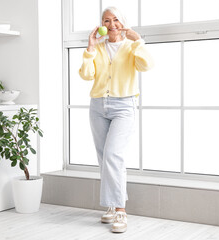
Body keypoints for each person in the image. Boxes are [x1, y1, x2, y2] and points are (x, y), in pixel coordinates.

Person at [79, 6, 154, 233]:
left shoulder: (131, 46)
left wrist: (138, 40)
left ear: (123, 22)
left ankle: (121, 211)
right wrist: (90, 48)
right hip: (98, 106)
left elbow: (146, 65)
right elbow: (86, 75)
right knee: (104, 158)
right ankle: (111, 206)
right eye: (106, 20)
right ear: (101, 24)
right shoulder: (99, 48)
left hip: (124, 106)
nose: (112, 24)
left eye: (116, 20)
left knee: (114, 155)